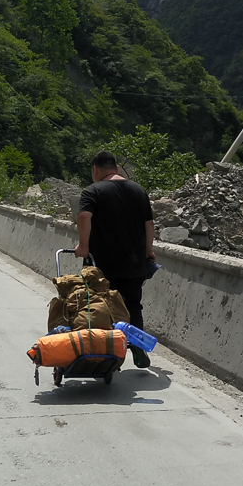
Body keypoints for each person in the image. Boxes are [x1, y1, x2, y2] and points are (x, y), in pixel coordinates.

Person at [75, 151, 155, 368]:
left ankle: (105, 354)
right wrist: (149, 251)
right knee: (132, 306)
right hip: (135, 263)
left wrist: (83, 246)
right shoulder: (138, 190)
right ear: (117, 169)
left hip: (103, 264)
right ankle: (137, 347)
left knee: (100, 306)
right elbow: (149, 224)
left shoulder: (93, 190)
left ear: (95, 170)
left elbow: (84, 216)